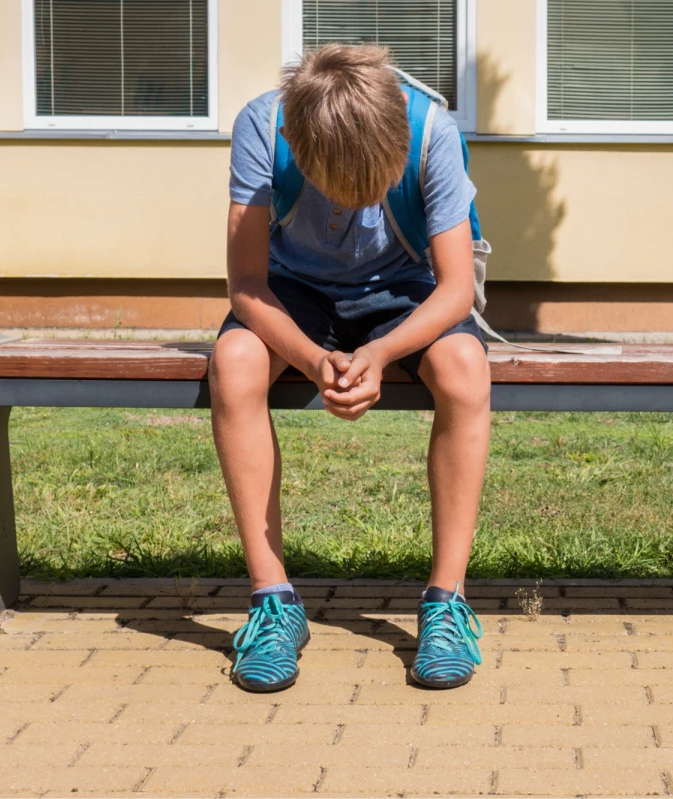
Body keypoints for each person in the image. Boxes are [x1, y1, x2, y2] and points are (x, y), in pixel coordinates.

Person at [208, 43, 490, 693]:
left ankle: (446, 603)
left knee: (464, 365)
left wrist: (381, 351)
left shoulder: (432, 132)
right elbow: (247, 283)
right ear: (298, 145)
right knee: (235, 359)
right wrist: (313, 359)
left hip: (406, 292)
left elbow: (454, 289)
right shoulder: (263, 127)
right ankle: (273, 603)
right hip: (293, 293)